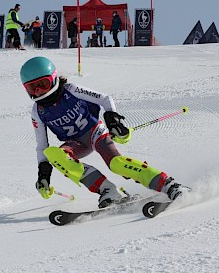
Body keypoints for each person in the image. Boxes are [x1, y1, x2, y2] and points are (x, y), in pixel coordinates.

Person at [20, 56, 188, 208]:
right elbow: (42, 146)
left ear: (54, 78)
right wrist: (43, 174)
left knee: (116, 164)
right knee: (54, 154)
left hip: (94, 132)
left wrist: (113, 120)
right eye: (32, 88)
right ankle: (107, 190)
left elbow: (104, 98)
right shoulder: (38, 111)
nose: (39, 91)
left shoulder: (70, 90)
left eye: (43, 84)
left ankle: (168, 184)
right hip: (75, 143)